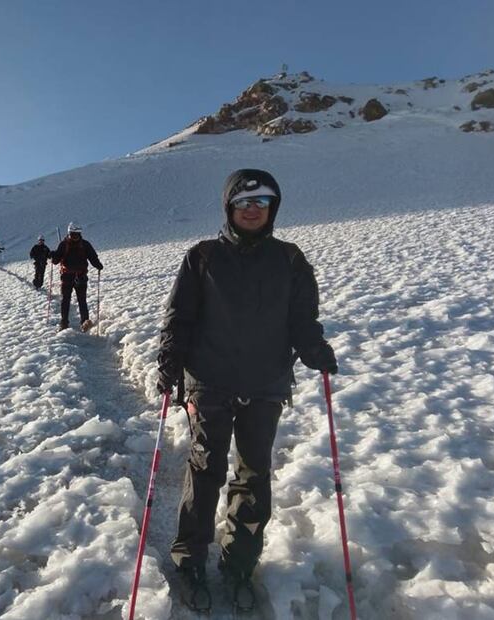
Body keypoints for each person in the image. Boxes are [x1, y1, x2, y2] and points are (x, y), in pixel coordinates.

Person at [156, 169, 337, 612]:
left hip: (265, 384)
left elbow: (302, 319)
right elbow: (179, 317)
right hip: (209, 382)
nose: (253, 209)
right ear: (229, 206)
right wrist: (170, 362)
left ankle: (238, 563)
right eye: (243, 202)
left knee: (254, 475)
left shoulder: (290, 259)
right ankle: (190, 561)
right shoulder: (202, 257)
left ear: (273, 208)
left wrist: (314, 348)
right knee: (206, 469)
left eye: (262, 202)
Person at [50, 222, 103, 331]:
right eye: (74, 234)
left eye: (77, 234)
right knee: (80, 300)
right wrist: (98, 265)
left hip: (69, 276)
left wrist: (53, 256)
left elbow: (55, 261)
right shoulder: (84, 244)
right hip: (79, 276)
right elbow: (93, 257)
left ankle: (65, 323)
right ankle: (82, 322)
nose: (75, 236)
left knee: (67, 300)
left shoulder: (64, 244)